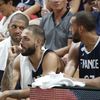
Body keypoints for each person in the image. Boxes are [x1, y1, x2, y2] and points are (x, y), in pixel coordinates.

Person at [0, 25, 64, 99]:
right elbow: (5, 90)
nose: (21, 42)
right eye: (21, 38)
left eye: (26, 39)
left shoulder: (50, 57)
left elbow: (42, 89)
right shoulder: (19, 59)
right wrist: (9, 61)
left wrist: (8, 93)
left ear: (38, 42)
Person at [64, 11, 100, 88]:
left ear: (81, 28)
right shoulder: (76, 47)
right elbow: (67, 75)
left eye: (71, 26)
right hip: (84, 94)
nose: (70, 30)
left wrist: (74, 80)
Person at [0, 12, 29, 86]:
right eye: (14, 27)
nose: (17, 31)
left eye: (22, 28)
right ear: (8, 27)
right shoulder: (1, 47)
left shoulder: (36, 49)